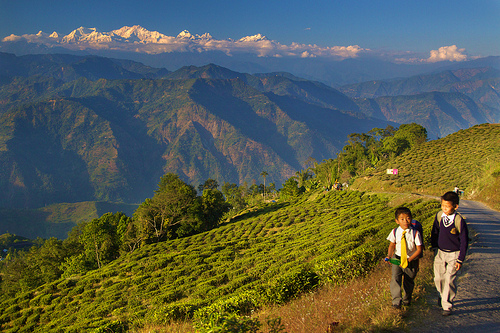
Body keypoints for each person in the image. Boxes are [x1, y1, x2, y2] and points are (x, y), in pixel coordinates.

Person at [431, 191, 469, 316]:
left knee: (449, 280)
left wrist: (460, 259)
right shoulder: (439, 216)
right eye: (442, 205)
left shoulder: (459, 221)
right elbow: (435, 231)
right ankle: (441, 296)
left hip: (454, 254)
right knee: (439, 278)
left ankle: (447, 305)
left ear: (455, 206)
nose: (444, 208)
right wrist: (434, 246)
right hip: (440, 252)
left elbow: (464, 241)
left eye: (447, 206)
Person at [385, 207, 423, 309]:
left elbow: (419, 249)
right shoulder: (394, 232)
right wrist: (389, 255)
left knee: (409, 280)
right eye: (402, 219)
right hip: (397, 258)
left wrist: (409, 260)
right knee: (395, 279)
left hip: (411, 260)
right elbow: (392, 245)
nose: (405, 221)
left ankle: (407, 300)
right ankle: (396, 302)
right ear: (397, 221)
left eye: (408, 218)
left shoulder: (415, 233)